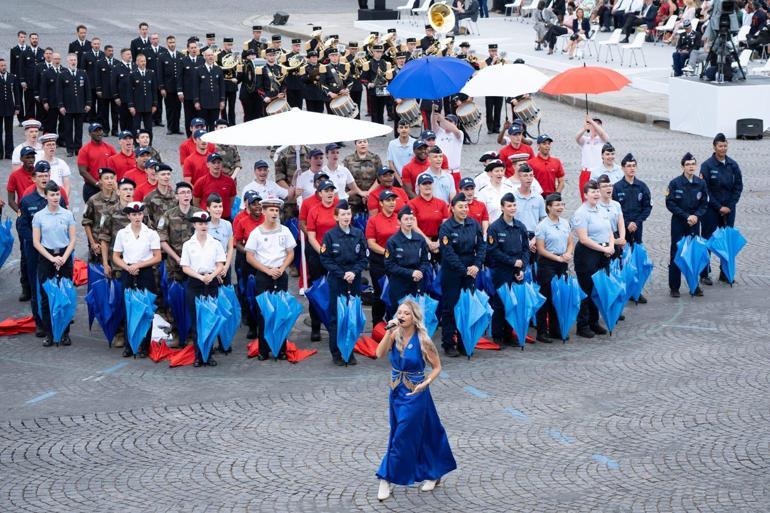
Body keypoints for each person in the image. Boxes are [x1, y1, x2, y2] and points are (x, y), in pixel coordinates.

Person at [375, 299, 456, 502]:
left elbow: (437, 367)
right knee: (426, 432)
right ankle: (435, 472)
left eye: (406, 313)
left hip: (416, 393)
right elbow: (379, 354)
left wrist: (426, 382)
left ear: (414, 318)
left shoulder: (423, 340)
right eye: (399, 312)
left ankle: (386, 477)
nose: (401, 316)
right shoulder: (394, 334)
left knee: (402, 434)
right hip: (396, 392)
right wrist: (387, 331)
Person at [243, 196, 296, 360]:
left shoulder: (285, 231)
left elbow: (290, 253)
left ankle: (280, 348)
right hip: (264, 276)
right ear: (264, 211)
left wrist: (282, 268)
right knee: (264, 313)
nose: (274, 213)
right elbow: (250, 257)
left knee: (281, 312)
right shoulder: (256, 233)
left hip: (280, 275)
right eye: (271, 210)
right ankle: (263, 350)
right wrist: (267, 270)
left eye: (276, 210)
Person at [18, 163, 67, 336]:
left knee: (59, 282)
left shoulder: (58, 197)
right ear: (33, 178)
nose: (44, 178)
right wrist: (38, 241)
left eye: (46, 175)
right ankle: (40, 321)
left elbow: (67, 221)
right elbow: (22, 226)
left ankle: (59, 316)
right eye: (40, 175)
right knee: (37, 284)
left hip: (57, 250)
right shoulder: (27, 200)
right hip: (35, 251)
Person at [319, 200, 369, 366]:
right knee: (337, 317)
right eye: (343, 214)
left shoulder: (358, 233)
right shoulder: (330, 236)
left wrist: (353, 272)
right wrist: (343, 274)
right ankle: (337, 352)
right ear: (336, 217)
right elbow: (325, 259)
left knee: (352, 316)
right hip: (337, 281)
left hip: (353, 280)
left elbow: (363, 257)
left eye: (349, 214)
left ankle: (350, 350)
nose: (347, 217)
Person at [438, 193, 486, 357]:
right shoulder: (446, 227)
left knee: (467, 306)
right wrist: (464, 269)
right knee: (450, 307)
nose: (464, 210)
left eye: (466, 206)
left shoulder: (474, 224)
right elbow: (448, 253)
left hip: (471, 270)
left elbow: (481, 247)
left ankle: (465, 340)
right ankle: (449, 343)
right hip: (452, 272)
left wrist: (476, 266)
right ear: (452, 208)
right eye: (461, 207)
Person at [112, 202, 162, 357]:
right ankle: (129, 345)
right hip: (128, 272)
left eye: (139, 214)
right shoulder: (122, 233)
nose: (137, 217)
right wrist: (127, 267)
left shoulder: (151, 233)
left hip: (145, 272)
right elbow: (116, 256)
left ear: (143, 215)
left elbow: (157, 256)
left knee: (146, 309)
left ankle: (144, 346)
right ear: (128, 216)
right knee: (129, 308)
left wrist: (140, 264)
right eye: (133, 214)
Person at [32, 182, 77, 347]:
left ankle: (64, 333)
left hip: (64, 256)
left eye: (57, 194)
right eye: (52, 194)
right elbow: (36, 242)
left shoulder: (67, 215)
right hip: (46, 257)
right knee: (46, 296)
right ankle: (49, 333)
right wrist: (52, 259)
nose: (55, 197)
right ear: (46, 196)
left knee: (65, 295)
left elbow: (72, 239)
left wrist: (64, 257)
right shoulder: (39, 217)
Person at [180, 211, 225, 367]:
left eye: (206, 223)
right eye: (200, 223)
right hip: (195, 282)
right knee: (196, 320)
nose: (203, 226)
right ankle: (199, 355)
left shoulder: (216, 243)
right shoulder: (188, 244)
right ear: (194, 225)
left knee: (210, 319)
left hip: (211, 281)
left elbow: (220, 264)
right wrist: (200, 277)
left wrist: (212, 275)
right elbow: (185, 267)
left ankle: (209, 354)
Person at [572, 180, 614, 338]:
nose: (596, 194)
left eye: (597, 191)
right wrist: (604, 249)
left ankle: (594, 322)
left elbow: (609, 230)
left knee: (598, 289)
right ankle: (582, 325)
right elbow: (583, 239)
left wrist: (610, 247)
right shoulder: (581, 213)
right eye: (593, 192)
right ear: (585, 195)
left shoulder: (601, 210)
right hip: (587, 254)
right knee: (586, 290)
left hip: (603, 253)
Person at [487, 192, 530, 346]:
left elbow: (526, 249)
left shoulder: (520, 226)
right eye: (509, 206)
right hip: (502, 271)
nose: (512, 208)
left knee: (515, 303)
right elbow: (493, 251)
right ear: (502, 208)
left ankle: (510, 334)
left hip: (517, 271)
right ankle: (498, 335)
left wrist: (522, 268)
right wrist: (513, 262)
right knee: (500, 303)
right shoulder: (495, 228)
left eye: (514, 205)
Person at [699, 133, 742, 285]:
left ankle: (725, 272)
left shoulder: (733, 165)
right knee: (707, 240)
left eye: (725, 146)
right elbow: (705, 190)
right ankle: (704, 273)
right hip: (711, 209)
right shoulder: (707, 166)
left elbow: (738, 187)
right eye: (720, 146)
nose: (723, 148)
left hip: (729, 210)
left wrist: (730, 206)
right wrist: (719, 207)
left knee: (727, 241)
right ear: (714, 147)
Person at [667, 152, 709, 297]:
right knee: (676, 253)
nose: (691, 167)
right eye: (688, 164)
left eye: (693, 164)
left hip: (694, 223)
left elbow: (704, 203)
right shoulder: (675, 183)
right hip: (679, 222)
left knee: (694, 254)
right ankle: (674, 287)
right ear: (682, 166)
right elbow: (670, 203)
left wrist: (696, 216)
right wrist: (687, 216)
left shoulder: (701, 183)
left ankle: (694, 285)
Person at [535, 193, 574, 341]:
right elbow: (541, 249)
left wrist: (568, 254)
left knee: (559, 296)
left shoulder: (564, 223)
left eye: (561, 204)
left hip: (562, 262)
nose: (560, 207)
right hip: (548, 263)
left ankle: (555, 329)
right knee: (546, 298)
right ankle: (542, 331)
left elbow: (570, 241)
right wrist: (558, 257)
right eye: (556, 205)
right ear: (548, 207)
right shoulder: (542, 226)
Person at [306, 180, 340, 341]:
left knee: (337, 290)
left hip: (338, 256)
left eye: (332, 190)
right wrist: (322, 251)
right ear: (320, 193)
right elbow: (311, 235)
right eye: (326, 190)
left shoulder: (340, 207)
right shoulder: (314, 210)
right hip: (318, 255)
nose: (330, 193)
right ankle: (315, 326)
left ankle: (336, 324)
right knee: (317, 289)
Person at [384, 206, 432, 316]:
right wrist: (410, 273)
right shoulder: (393, 241)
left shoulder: (420, 239)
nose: (409, 222)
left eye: (411, 219)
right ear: (399, 221)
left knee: (416, 316)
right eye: (406, 219)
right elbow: (389, 265)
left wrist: (420, 272)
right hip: (399, 283)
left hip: (416, 283)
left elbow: (425, 260)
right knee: (398, 317)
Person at [366, 190, 401, 326]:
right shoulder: (374, 220)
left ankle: (394, 322)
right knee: (379, 294)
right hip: (379, 262)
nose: (392, 202)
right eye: (388, 200)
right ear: (381, 203)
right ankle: (377, 325)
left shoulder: (399, 218)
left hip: (397, 262)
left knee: (395, 293)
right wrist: (387, 252)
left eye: (393, 200)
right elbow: (371, 243)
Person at [7, 147, 37, 301]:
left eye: (32, 157)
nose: (31, 160)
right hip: (25, 219)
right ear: (22, 159)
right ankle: (26, 288)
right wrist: (20, 213)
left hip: (40, 218)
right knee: (26, 253)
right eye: (28, 157)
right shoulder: (15, 176)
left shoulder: (39, 173)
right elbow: (11, 199)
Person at [233, 191, 264, 339]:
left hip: (265, 261)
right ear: (247, 205)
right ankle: (252, 324)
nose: (257, 206)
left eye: (259, 202)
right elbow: (237, 242)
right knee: (248, 292)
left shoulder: (267, 219)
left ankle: (264, 324)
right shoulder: (241, 220)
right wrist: (248, 252)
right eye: (253, 203)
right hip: (247, 261)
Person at [158, 182, 202, 285]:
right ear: (176, 196)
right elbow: (162, 240)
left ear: (191, 195)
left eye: (188, 192)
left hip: (195, 263)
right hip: (174, 264)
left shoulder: (199, 214)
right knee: (175, 296)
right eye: (182, 193)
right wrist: (177, 259)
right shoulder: (168, 215)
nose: (186, 195)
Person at [612, 152, 652, 252]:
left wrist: (637, 223)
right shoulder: (617, 187)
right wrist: (627, 223)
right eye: (629, 166)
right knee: (622, 253)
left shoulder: (642, 186)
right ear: (622, 168)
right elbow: (614, 210)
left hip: (637, 226)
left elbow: (647, 207)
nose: (632, 168)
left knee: (636, 252)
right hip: (622, 227)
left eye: (634, 166)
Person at [57, 53, 91, 157]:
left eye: (75, 60)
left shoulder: (83, 73)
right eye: (71, 60)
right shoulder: (62, 74)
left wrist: (88, 103)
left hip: (80, 106)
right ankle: (70, 149)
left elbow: (87, 90)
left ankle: (78, 148)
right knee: (68, 129)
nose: (73, 62)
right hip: (67, 107)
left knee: (79, 129)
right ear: (67, 61)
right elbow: (59, 92)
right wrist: (61, 105)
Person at [408, 174, 449, 261]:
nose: (427, 186)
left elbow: (446, 225)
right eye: (424, 184)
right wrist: (428, 242)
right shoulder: (412, 204)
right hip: (420, 241)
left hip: (439, 241)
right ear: (418, 186)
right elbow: (413, 226)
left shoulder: (441, 203)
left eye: (429, 183)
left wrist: (438, 242)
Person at [82, 167, 118, 264]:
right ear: (100, 181)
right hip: (99, 245)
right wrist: (93, 243)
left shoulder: (119, 199)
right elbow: (86, 222)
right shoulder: (93, 200)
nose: (110, 181)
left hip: (117, 245)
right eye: (106, 178)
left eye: (112, 178)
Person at [77, 123, 117, 202]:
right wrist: (97, 184)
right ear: (90, 134)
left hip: (108, 187)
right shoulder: (84, 150)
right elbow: (82, 171)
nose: (99, 133)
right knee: (91, 213)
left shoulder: (110, 148)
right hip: (91, 187)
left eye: (100, 130)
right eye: (95, 131)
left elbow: (115, 166)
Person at [192, 153, 237, 219]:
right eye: (213, 162)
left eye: (219, 162)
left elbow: (232, 199)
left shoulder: (230, 181)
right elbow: (196, 201)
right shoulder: (201, 182)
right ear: (208, 165)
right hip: (207, 218)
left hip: (225, 218)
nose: (216, 165)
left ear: (222, 165)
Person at [343, 139, 382, 212]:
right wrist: (360, 192)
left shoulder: (375, 158)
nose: (362, 144)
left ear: (368, 143)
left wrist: (368, 193)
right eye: (359, 142)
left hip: (373, 196)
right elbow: (346, 179)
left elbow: (380, 178)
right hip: (354, 199)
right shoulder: (348, 160)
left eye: (365, 142)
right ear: (355, 144)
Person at [206, 193, 234, 288]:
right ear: (208, 208)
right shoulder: (204, 225)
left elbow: (230, 248)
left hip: (225, 264)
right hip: (210, 266)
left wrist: (226, 267)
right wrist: (216, 271)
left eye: (220, 206)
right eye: (215, 207)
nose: (218, 209)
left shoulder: (227, 224)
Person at [126, 53, 157, 138]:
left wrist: (154, 104)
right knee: (136, 127)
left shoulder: (151, 73)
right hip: (137, 105)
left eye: (144, 61)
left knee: (149, 127)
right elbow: (129, 91)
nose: (143, 63)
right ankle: (136, 144)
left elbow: (154, 90)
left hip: (148, 106)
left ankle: (149, 144)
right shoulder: (133, 74)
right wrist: (131, 106)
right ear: (137, 62)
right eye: (141, 61)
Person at [597, 174, 626, 260]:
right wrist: (612, 243)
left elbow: (621, 223)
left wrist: (622, 238)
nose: (609, 188)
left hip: (615, 236)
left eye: (610, 185)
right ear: (598, 189)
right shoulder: (595, 206)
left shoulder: (616, 204)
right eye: (605, 186)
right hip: (602, 239)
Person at [527, 134, 565, 198]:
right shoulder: (530, 163)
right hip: (536, 196)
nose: (547, 146)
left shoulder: (556, 162)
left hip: (552, 196)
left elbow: (561, 182)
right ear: (538, 146)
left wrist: (556, 194)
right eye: (544, 144)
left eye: (549, 144)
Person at [142, 164, 175, 229]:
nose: (166, 177)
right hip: (157, 234)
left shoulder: (176, 196)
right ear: (156, 177)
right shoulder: (149, 198)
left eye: (168, 174)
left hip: (174, 233)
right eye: (163, 174)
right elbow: (145, 219)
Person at [0, 62, 21, 159]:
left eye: (4, 65)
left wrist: (17, 107)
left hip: (9, 107)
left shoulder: (12, 77)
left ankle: (9, 152)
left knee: (9, 131)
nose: (3, 67)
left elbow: (17, 93)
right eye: (1, 66)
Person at [484, 44, 504, 133]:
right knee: (489, 109)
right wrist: (492, 63)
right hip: (489, 89)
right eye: (492, 51)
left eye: (495, 51)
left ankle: (497, 127)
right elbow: (485, 73)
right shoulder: (486, 61)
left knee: (498, 109)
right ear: (489, 51)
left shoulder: (502, 61)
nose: (494, 52)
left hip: (499, 88)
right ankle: (490, 127)